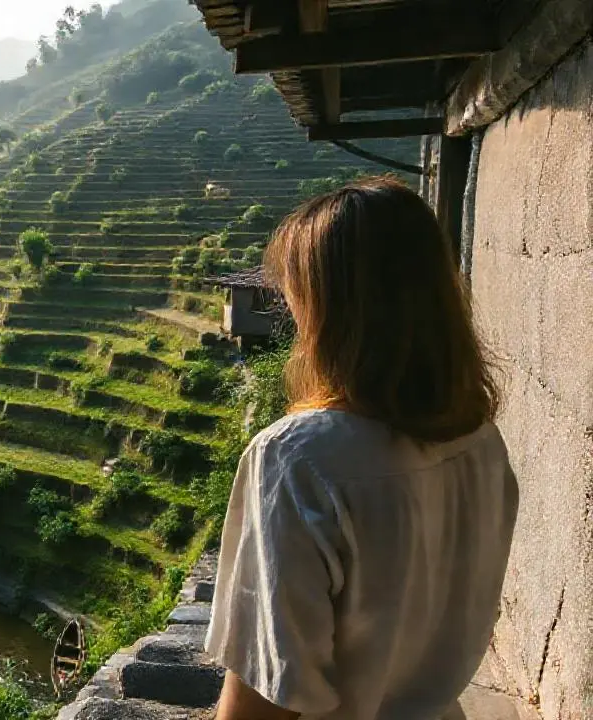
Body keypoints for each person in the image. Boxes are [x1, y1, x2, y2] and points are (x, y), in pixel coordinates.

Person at [206, 177, 518, 720]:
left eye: (297, 298)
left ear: (330, 312)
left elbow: (259, 702)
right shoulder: (480, 442)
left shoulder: (298, 459)